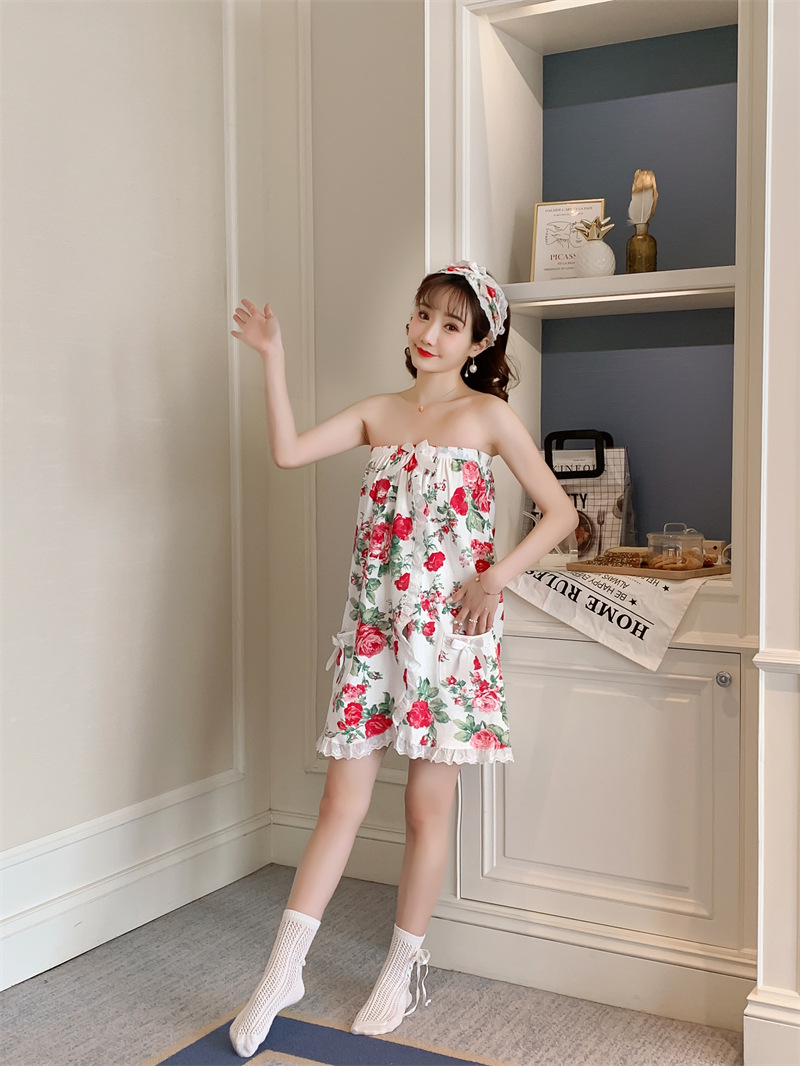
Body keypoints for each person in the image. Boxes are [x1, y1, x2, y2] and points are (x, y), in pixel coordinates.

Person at [227, 261, 578, 1058]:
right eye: (423, 315)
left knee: (426, 812)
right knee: (339, 805)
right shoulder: (379, 412)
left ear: (479, 342)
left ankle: (403, 968)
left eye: (451, 325)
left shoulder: (488, 415)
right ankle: (281, 973)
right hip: (373, 634)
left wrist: (496, 576)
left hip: (449, 639)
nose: (430, 334)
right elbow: (287, 452)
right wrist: (273, 356)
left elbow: (560, 513)